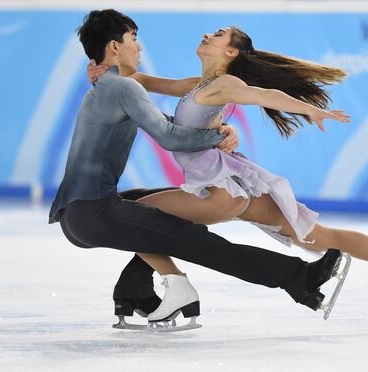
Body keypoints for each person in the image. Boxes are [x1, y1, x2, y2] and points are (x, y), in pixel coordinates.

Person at [88, 25, 368, 323]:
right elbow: (139, 80)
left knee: (127, 218)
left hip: (217, 192)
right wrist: (102, 72)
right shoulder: (195, 85)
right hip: (233, 189)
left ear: (231, 53)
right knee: (317, 236)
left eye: (217, 35)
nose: (207, 35)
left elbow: (267, 96)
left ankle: (177, 287)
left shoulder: (224, 84)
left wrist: (308, 109)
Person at [50, 9, 349, 328]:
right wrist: (217, 134)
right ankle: (299, 277)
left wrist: (219, 133)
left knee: (155, 212)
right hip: (91, 213)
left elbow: (165, 124)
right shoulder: (123, 88)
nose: (140, 47)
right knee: (193, 239)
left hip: (81, 211)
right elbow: (169, 137)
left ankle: (133, 291)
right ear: (114, 47)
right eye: (134, 39)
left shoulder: (110, 87)